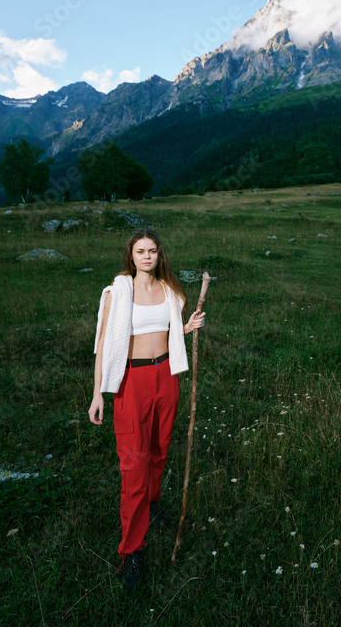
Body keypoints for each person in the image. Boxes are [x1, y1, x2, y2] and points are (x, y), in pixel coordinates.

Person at [88, 229, 205, 594]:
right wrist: (97, 395)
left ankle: (152, 504)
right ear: (131, 256)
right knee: (134, 467)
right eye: (140, 251)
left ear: (159, 254)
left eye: (152, 251)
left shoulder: (170, 292)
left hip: (166, 375)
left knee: (159, 451)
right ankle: (132, 551)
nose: (147, 257)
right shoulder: (118, 293)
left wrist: (186, 327)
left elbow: (166, 334)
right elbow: (103, 344)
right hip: (131, 381)